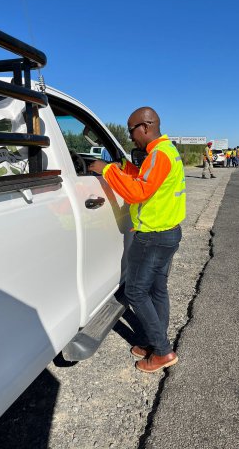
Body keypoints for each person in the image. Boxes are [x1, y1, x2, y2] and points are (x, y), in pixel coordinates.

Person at [88, 107, 186, 373]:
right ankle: (155, 342)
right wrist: (124, 167)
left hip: (153, 236)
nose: (131, 137)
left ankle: (163, 352)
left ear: (145, 126)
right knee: (157, 290)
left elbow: (138, 191)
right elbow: (146, 179)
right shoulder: (167, 152)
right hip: (168, 232)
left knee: (135, 292)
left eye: (131, 130)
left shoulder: (158, 154)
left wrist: (107, 171)